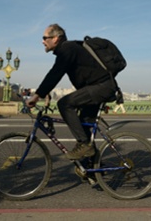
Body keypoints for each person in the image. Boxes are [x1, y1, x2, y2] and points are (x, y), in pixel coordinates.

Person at [26, 24, 117, 160]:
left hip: (101, 87)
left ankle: (84, 145)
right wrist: (46, 93)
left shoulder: (67, 49)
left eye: (45, 38)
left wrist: (37, 95)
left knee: (64, 104)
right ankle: (93, 168)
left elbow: (55, 73)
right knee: (83, 127)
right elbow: (57, 75)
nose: (42, 41)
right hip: (100, 87)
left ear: (56, 38)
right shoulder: (69, 48)